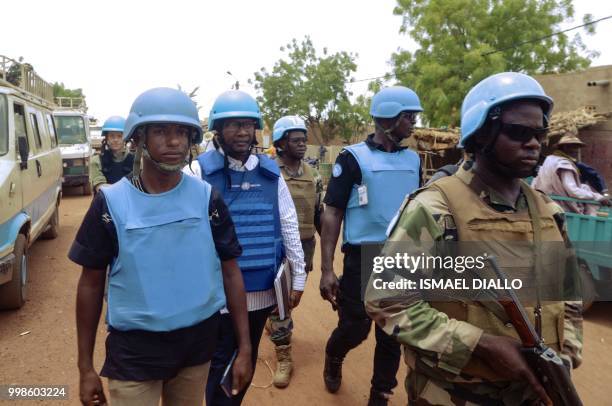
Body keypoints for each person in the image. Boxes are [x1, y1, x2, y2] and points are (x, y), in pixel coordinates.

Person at [365, 72, 583, 405]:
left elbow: (569, 298)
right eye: (518, 132)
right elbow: (387, 301)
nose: (534, 143)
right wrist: (479, 343)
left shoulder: (548, 211)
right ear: (481, 136)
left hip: (534, 393)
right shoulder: (435, 208)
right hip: (454, 395)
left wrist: (563, 358)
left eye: (539, 132)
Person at [71, 88, 252, 406]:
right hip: (134, 353)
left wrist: (245, 348)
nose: (174, 142)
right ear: (138, 139)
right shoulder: (109, 204)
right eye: (160, 131)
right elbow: (90, 283)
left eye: (182, 132)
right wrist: (85, 366)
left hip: (197, 346)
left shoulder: (207, 198)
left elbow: (231, 273)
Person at [184, 90, 306, 405]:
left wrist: (300, 277)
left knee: (246, 361)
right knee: (220, 360)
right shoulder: (198, 171)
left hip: (262, 291)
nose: (242, 132)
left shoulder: (269, 173)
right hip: (217, 294)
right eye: (233, 125)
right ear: (218, 130)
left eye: (248, 125)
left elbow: (289, 224)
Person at [319, 86, 423, 406]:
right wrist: (326, 269)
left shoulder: (413, 159)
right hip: (362, 256)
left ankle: (380, 395)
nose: (414, 123)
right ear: (387, 118)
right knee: (355, 327)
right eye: (409, 117)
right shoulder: (352, 158)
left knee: (392, 334)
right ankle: (334, 355)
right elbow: (333, 212)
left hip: (402, 258)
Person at [267, 115, 324, 388]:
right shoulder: (269, 172)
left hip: (304, 247)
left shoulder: (314, 175)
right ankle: (284, 356)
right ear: (280, 143)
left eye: (304, 140)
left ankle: (275, 320)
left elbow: (319, 213)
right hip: (275, 247)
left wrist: (329, 255)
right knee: (281, 303)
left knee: (291, 298)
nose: (302, 145)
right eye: (296, 140)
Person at [533, 133, 611, 214]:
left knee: (585, 187)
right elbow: (573, 191)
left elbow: (535, 182)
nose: (577, 150)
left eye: (577, 147)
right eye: (574, 147)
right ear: (565, 147)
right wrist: (599, 197)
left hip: (543, 202)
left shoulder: (549, 159)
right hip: (560, 206)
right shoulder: (564, 164)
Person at [89, 116, 134, 193]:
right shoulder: (96, 161)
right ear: (107, 138)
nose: (115, 140)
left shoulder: (136, 161)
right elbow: (100, 187)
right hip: (105, 203)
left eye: (119, 136)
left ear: (125, 138)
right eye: (112, 136)